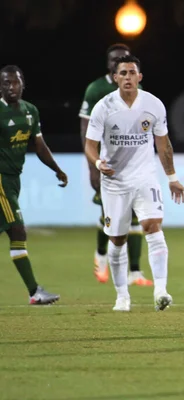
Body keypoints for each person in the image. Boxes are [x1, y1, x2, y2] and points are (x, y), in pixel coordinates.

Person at [84, 55, 184, 312]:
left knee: (152, 226)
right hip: (115, 183)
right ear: (116, 78)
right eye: (123, 73)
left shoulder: (153, 105)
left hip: (145, 177)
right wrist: (98, 164)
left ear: (140, 77)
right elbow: (90, 146)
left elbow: (163, 144)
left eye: (132, 72)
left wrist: (172, 178)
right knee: (117, 239)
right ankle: (122, 296)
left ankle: (161, 291)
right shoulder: (103, 107)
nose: (128, 77)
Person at [79, 43, 151, 287]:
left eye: (123, 60)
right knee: (109, 216)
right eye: (115, 60)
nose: (119, 64)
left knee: (135, 217)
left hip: (132, 166)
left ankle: (136, 272)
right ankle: (101, 256)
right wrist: (93, 165)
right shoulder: (96, 90)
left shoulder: (137, 90)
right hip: (106, 164)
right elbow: (85, 129)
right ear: (109, 65)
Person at [0, 65, 67, 304]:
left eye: (15, 82)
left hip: (12, 179)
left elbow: (39, 145)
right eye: (6, 83)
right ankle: (34, 292)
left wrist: (57, 169)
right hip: (0, 181)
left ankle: (34, 292)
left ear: (22, 84)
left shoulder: (30, 112)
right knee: (17, 229)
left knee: (15, 233)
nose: (11, 87)